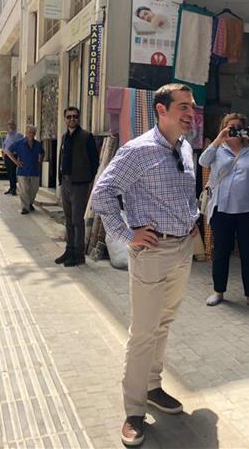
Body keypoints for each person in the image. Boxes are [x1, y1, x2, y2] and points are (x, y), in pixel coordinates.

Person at [92, 83, 199, 447]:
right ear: (161, 110)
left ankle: (152, 387)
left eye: (192, 107)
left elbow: (185, 194)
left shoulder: (185, 148)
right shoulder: (137, 151)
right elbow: (102, 193)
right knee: (143, 332)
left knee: (163, 324)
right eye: (183, 107)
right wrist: (126, 234)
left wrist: (192, 222)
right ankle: (134, 410)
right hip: (152, 253)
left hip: (182, 250)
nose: (190, 113)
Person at [199, 112, 249, 311]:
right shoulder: (217, 149)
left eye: (238, 127)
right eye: (230, 126)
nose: (234, 130)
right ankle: (218, 291)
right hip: (221, 209)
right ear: (223, 128)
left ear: (245, 129)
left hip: (247, 210)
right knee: (221, 253)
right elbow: (203, 162)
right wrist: (218, 139)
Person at [56, 107, 99, 267]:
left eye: (75, 116)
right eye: (69, 117)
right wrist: (61, 178)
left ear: (78, 118)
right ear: (65, 119)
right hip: (66, 182)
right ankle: (69, 250)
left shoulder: (86, 136)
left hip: (79, 184)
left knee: (77, 220)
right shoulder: (64, 136)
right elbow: (62, 158)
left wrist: (87, 179)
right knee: (68, 219)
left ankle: (78, 254)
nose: (72, 119)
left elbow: (94, 161)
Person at [5, 124, 44, 214]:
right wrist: (16, 162)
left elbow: (42, 153)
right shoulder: (19, 143)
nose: (31, 134)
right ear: (26, 133)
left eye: (33, 133)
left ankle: (29, 203)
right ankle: (25, 208)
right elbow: (8, 151)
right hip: (23, 171)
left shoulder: (37, 144)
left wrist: (40, 161)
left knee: (34, 190)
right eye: (29, 132)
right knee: (24, 191)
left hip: (34, 171)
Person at [3, 120, 23, 195]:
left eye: (12, 124)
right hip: (6, 156)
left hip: (13, 156)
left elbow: (21, 145)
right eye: (9, 124)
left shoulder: (18, 135)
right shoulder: (8, 135)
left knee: (13, 172)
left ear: (15, 125)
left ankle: (14, 189)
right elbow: (5, 145)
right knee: (9, 173)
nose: (10, 125)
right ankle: (11, 187)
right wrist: (3, 152)